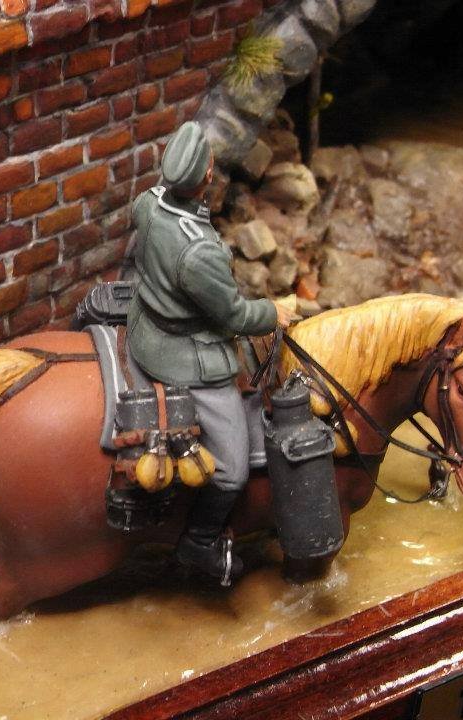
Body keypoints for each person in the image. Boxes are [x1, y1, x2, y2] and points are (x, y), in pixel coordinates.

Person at [127, 121, 294, 583]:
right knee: (233, 469)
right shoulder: (199, 252)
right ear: (206, 176)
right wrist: (272, 312)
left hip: (145, 322)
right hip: (184, 353)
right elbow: (234, 315)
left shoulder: (147, 201)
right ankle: (198, 541)